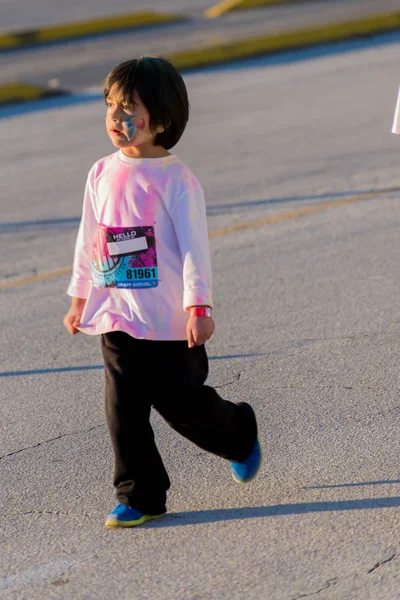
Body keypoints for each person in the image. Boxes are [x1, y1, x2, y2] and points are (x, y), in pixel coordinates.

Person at [63, 56, 261, 529]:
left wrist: (199, 306)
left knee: (183, 407)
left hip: (170, 320)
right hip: (118, 314)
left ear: (163, 120)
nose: (116, 117)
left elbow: (195, 248)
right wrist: (80, 295)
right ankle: (140, 495)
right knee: (122, 411)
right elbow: (89, 236)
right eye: (110, 105)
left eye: (129, 107)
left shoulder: (177, 181)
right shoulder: (100, 172)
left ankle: (238, 434)